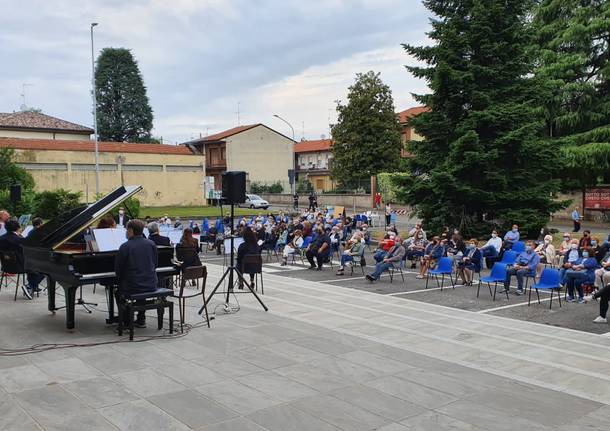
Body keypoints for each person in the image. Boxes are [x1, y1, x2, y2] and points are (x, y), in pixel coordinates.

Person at [114, 219, 158, 328]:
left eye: (126, 230)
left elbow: (118, 270)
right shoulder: (151, 243)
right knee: (139, 283)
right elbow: (155, 264)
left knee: (117, 291)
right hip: (151, 284)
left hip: (133, 285)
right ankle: (141, 318)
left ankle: (126, 320)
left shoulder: (125, 246)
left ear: (130, 230)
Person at [0, 219, 44, 299]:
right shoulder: (18, 239)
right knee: (45, 269)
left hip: (6, 266)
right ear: (18, 228)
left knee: (32, 267)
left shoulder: (1, 238)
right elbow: (28, 251)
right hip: (19, 266)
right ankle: (30, 286)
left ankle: (32, 287)